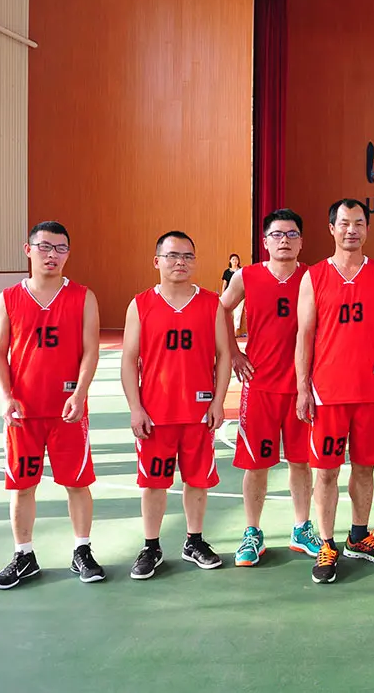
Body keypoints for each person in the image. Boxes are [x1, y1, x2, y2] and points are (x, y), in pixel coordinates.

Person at [0, 221, 103, 589]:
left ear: (68, 253)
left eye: (60, 248)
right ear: (28, 250)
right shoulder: (8, 298)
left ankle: (82, 550)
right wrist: (6, 397)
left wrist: (79, 393)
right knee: (22, 486)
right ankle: (24, 555)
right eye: (44, 247)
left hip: (67, 411)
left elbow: (91, 351)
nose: (52, 255)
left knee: (77, 484)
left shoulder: (83, 297)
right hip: (23, 414)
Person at [296, 199, 374, 584]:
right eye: (344, 223)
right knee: (325, 472)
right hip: (327, 393)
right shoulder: (314, 276)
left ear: (367, 229)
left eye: (358, 223)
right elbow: (305, 334)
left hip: (371, 392)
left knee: (365, 467)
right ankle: (327, 543)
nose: (351, 229)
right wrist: (302, 387)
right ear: (332, 228)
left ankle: (359, 535)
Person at [121, 231, 231, 580]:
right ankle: (151, 546)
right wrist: (136, 407)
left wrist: (218, 401)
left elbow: (224, 355)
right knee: (153, 482)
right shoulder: (141, 304)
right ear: (157, 261)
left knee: (197, 481)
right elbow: (128, 360)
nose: (180, 262)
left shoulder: (211, 303)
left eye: (187, 256)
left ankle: (194, 541)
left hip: (198, 412)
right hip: (156, 414)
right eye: (172, 256)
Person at [219, 209, 322, 567]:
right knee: (256, 464)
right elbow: (221, 310)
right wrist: (234, 353)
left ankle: (301, 528)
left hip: (302, 386)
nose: (284, 241)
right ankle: (252, 532)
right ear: (265, 242)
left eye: (292, 234)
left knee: (301, 462)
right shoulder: (246, 276)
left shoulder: (312, 276)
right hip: (260, 385)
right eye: (277, 234)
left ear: (301, 241)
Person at [223, 253, 244, 334]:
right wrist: (223, 293)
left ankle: (235, 330)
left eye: (236, 259)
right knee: (229, 312)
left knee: (238, 312)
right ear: (230, 261)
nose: (235, 261)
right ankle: (228, 330)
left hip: (240, 293)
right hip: (229, 293)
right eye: (233, 259)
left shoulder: (241, 271)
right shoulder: (227, 272)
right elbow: (224, 284)